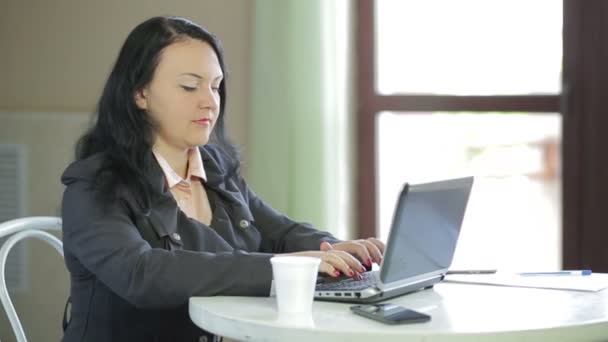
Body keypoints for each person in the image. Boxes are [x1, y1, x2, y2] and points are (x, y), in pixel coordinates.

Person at [60, 16, 384, 342]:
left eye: (215, 86)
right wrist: (282, 267)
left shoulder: (215, 166)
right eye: (189, 86)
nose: (210, 101)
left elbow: (279, 232)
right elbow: (142, 274)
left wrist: (334, 249)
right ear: (140, 93)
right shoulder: (92, 186)